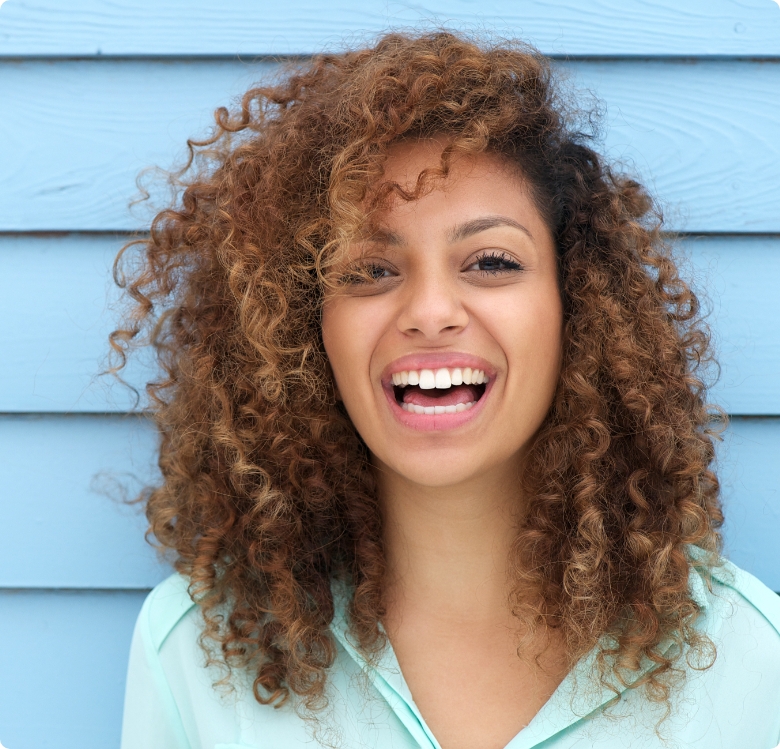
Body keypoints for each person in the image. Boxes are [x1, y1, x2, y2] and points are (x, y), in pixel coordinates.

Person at [114, 30, 780, 749]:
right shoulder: (194, 650)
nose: (431, 312)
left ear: (575, 307)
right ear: (306, 329)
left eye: (491, 261)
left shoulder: (746, 660)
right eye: (370, 270)